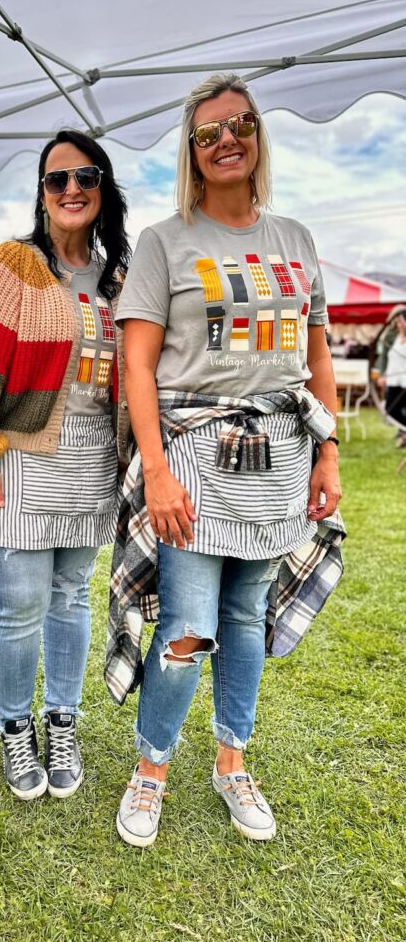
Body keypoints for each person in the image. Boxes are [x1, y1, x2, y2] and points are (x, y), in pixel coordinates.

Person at [108, 73, 343, 847]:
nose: (226, 140)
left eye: (239, 124)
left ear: (257, 134)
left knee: (246, 618)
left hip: (281, 454)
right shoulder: (164, 242)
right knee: (185, 627)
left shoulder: (297, 240)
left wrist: (328, 452)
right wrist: (160, 470)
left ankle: (231, 760)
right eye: (208, 132)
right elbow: (137, 366)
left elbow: (317, 355)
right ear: (191, 149)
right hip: (195, 456)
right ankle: (151, 769)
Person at [0, 129, 131, 801]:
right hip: (19, 458)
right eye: (58, 179)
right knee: (18, 605)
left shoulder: (118, 275)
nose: (72, 189)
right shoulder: (13, 264)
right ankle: (15, 726)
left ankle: (63, 720)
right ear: (42, 194)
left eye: (86, 177)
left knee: (72, 597)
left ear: (103, 188)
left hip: (91, 462)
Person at [379, 306, 406, 444]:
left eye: (401, 320)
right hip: (393, 380)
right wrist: (382, 375)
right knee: (390, 409)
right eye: (398, 320)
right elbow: (386, 357)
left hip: (404, 382)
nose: (399, 322)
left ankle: (403, 435)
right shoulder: (393, 336)